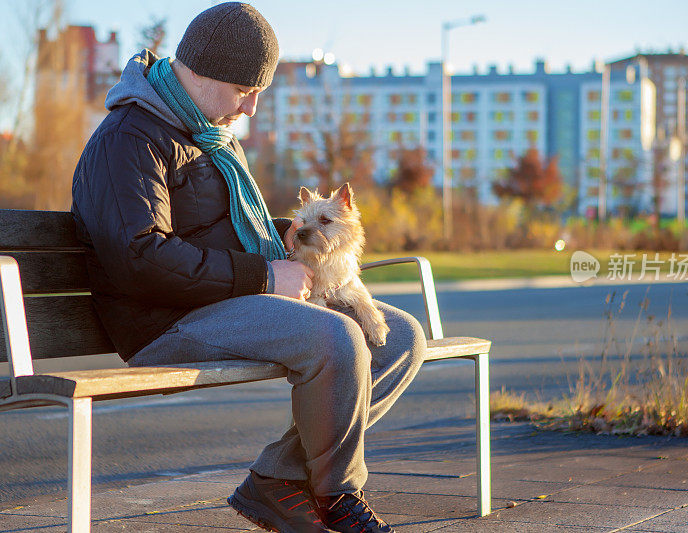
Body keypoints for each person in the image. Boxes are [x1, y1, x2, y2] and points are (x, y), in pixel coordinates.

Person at [71, 3, 425, 532]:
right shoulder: (131, 138)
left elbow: (221, 225)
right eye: (245, 90)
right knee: (336, 339)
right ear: (203, 71)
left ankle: (278, 480)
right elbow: (139, 258)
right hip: (165, 320)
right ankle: (338, 494)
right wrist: (263, 276)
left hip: (226, 301)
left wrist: (296, 231)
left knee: (398, 337)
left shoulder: (208, 135)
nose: (253, 108)